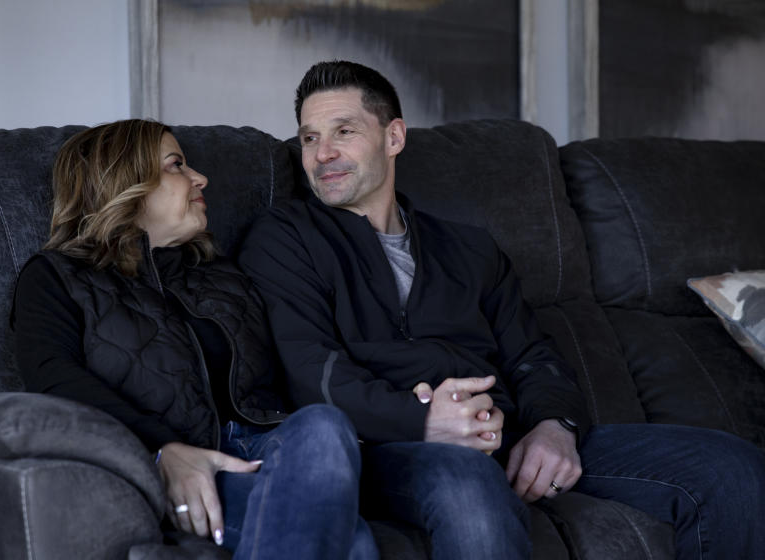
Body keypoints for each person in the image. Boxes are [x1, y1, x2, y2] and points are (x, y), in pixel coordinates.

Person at [237, 60, 765, 560]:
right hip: (385, 445)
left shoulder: (468, 249)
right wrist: (424, 420)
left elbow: (534, 354)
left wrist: (556, 426)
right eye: (310, 138)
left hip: (504, 431)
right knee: (466, 483)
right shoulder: (285, 237)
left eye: (343, 131)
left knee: (730, 469)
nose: (322, 153)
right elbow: (311, 372)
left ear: (393, 137)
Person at [11, 119, 378, 560]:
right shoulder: (57, 277)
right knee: (352, 541)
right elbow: (54, 381)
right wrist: (165, 450)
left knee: (324, 425)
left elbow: (307, 349)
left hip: (273, 450)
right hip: (174, 465)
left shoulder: (220, 272)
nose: (200, 177)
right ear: (124, 182)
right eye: (176, 165)